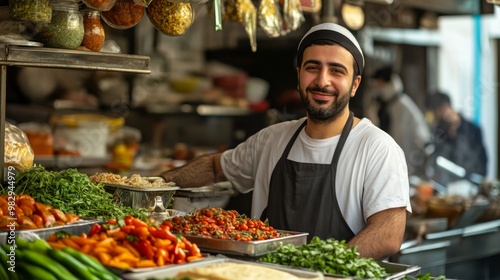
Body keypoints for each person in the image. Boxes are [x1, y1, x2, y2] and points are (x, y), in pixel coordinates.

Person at [160, 23, 411, 260]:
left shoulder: (376, 148)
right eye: (312, 67)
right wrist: (154, 184)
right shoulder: (272, 138)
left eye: (336, 70)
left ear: (355, 84)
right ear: (299, 74)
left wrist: (316, 269)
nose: (322, 81)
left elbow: (388, 234)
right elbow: (215, 167)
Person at [369, 65, 433, 177]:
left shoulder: (406, 107)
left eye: (379, 85)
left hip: (408, 173)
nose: (377, 90)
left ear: (389, 84)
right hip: (384, 170)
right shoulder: (379, 108)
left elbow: (424, 141)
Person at [427, 91, 488, 186]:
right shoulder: (439, 132)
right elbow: (436, 162)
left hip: (470, 187)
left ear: (446, 107)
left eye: (436, 113)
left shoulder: (472, 131)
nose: (435, 119)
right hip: (445, 189)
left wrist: (457, 134)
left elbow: (479, 164)